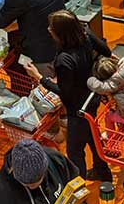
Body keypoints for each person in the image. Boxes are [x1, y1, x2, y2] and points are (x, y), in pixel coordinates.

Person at [22, 10, 111, 180]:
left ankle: (79, 193)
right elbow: (106, 51)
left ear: (60, 33)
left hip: (77, 109)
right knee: (93, 138)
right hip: (92, 97)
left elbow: (65, 93)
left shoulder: (64, 60)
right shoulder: (85, 35)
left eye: (51, 27)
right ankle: (103, 173)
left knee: (75, 152)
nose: (48, 29)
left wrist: (39, 77)